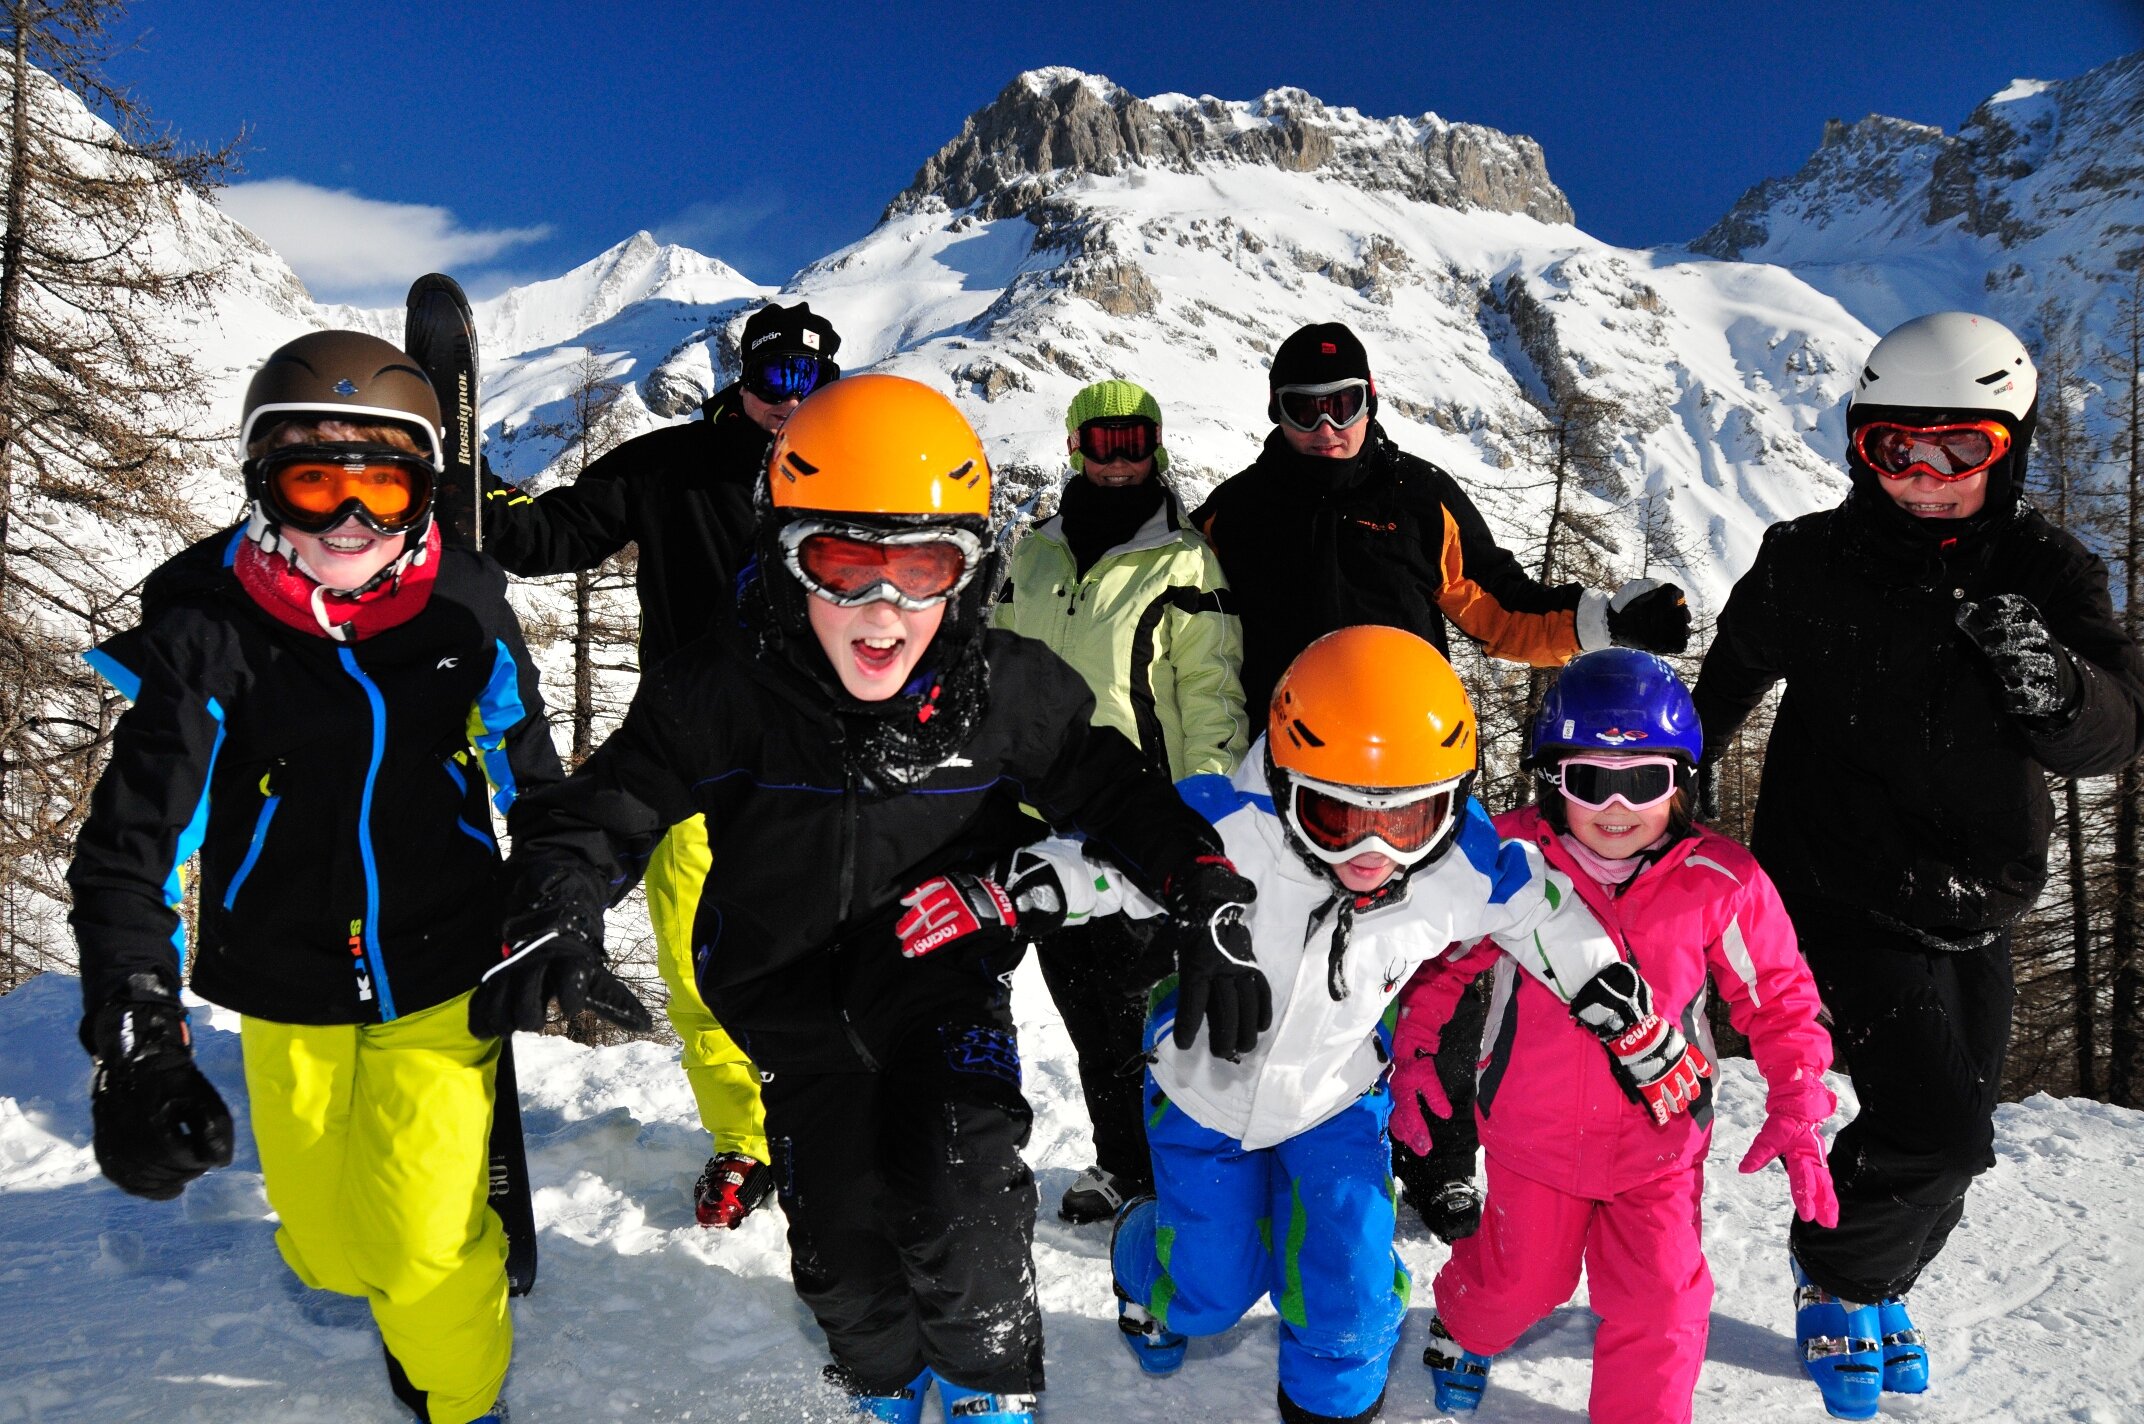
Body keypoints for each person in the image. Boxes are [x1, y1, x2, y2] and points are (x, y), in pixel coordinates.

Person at [482, 373, 1271, 1424]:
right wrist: (554, 900)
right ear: (783, 555)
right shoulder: (723, 690)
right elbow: (605, 810)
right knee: (842, 1264)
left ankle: (989, 1399)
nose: (883, 608)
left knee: (964, 1209)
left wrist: (1202, 881)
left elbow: (1112, 788)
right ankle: (887, 1392)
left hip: (938, 993)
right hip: (794, 1009)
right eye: (843, 563)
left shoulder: (1003, 687)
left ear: (968, 571)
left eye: (922, 566)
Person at [66, 332, 628, 1424]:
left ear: (422, 491)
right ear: (261, 485)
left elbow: (540, 786)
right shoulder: (208, 628)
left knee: (420, 1258)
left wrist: (558, 907)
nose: (349, 522)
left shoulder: (464, 609)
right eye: (314, 483)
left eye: (380, 486)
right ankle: (434, 1264)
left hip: (441, 959)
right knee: (327, 1254)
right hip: (280, 973)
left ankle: (461, 1395)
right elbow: (132, 849)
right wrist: (134, 1020)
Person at [1019, 624, 1706, 1424]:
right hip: (1205, 1084)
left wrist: (1625, 1015)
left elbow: (1543, 911)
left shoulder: (1457, 862)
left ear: (1449, 806)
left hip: (1334, 1095)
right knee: (1205, 1296)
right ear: (1283, 781)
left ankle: (1335, 1393)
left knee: (1345, 1289)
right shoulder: (1223, 828)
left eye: (1409, 823)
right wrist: (1022, 888)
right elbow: (1110, 857)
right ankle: (1146, 1254)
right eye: (1335, 819)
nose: (1375, 853)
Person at [1691, 310, 2144, 1419]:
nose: (1924, 479)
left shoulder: (2045, 568)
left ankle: (1870, 1269)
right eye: (1895, 448)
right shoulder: (1807, 561)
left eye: (1959, 450)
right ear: (1859, 445)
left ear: (2011, 443)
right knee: (1937, 1128)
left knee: (1960, 1140)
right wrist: (1655, 802)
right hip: (1831, 890)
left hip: (1978, 892)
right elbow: (1716, 692)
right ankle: (1837, 1275)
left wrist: (2055, 690)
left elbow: (2117, 731)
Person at [1192, 320, 1695, 1242]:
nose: (1326, 426)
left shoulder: (1420, 500)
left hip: (1420, 779)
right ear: (1277, 414)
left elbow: (1502, 607)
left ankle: (1436, 1149)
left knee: (1443, 962)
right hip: (1293, 786)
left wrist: (1607, 616)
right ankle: (1242, 1135)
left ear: (1371, 400)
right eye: (1303, 410)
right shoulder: (1238, 511)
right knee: (1279, 959)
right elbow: (1183, 627)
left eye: (1343, 405)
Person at [1395, 649, 1835, 1423]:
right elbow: (1438, 959)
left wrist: (1798, 1093)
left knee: (1662, 1307)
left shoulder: (1719, 881)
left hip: (1659, 1145)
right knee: (1518, 1287)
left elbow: (1780, 998)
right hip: (1533, 1137)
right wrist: (1418, 1044)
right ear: (1552, 781)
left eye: (1646, 782)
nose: (1616, 806)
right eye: (1590, 781)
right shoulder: (1510, 861)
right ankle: (1463, 1324)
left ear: (1683, 785)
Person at [481, 300, 844, 1229]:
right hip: (689, 759)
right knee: (698, 966)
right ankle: (747, 1139)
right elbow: (542, 537)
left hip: (818, 762)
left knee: (830, 962)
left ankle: (839, 1129)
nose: (786, 402)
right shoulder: (668, 465)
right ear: (744, 377)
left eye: (809, 384)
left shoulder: (850, 472)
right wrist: (473, 490)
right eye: (772, 380)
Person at [993, 377, 1246, 1223]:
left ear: (1157, 447)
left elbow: (1210, 691)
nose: (1118, 460)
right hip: (1037, 815)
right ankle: (1119, 1161)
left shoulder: (1184, 561)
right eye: (1101, 443)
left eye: (1134, 442)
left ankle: (1178, 1167)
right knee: (1085, 1009)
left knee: (1154, 1011)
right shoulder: (1034, 555)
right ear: (1074, 448)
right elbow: (989, 668)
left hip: (1139, 817)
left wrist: (1202, 806)